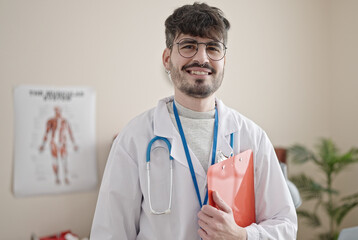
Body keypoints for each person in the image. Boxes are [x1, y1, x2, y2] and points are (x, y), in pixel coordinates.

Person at [90, 3, 297, 240]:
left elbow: (285, 225)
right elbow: (110, 232)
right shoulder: (134, 138)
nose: (202, 58)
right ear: (167, 59)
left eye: (213, 47)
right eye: (188, 46)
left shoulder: (252, 137)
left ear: (224, 61)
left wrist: (242, 236)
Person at [39, 106, 78, 185]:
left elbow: (70, 133)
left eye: (59, 111)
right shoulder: (51, 121)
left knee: (64, 161)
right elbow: (46, 133)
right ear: (55, 112)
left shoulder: (65, 121)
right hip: (54, 143)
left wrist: (74, 144)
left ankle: (66, 177)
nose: (58, 113)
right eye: (57, 111)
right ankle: (57, 178)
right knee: (55, 161)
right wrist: (43, 144)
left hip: (62, 143)